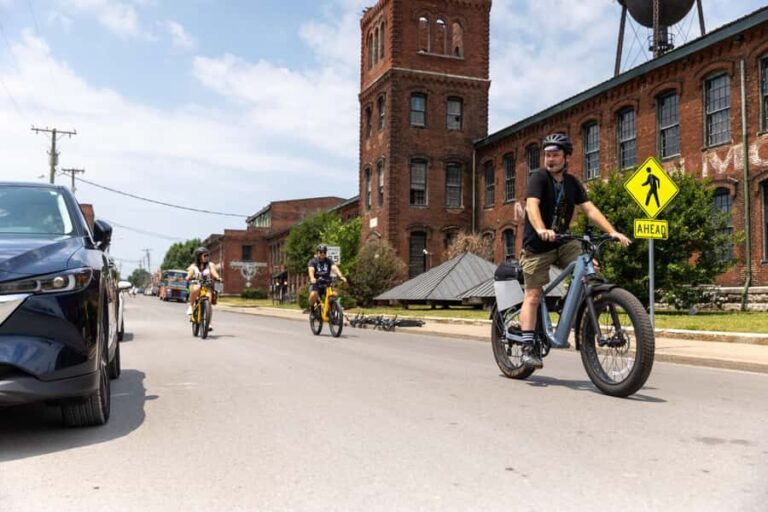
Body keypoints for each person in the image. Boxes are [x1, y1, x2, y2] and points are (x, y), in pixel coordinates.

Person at [519, 133, 631, 369]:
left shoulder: (572, 183)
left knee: (591, 266)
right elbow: (532, 205)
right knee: (533, 294)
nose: (550, 159)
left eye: (555, 155)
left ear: (566, 157)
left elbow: (589, 209)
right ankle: (527, 347)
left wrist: (612, 231)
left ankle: (567, 305)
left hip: (562, 241)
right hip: (538, 245)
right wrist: (541, 229)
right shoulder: (538, 178)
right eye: (547, 155)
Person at [307, 244, 347, 313]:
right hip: (316, 283)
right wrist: (312, 278)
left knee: (334, 295)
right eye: (321, 252)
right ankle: (311, 308)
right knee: (314, 294)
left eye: (324, 252)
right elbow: (311, 270)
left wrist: (341, 276)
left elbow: (335, 268)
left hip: (326, 283)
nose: (323, 254)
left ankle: (332, 312)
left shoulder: (328, 261)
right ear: (317, 252)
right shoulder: (313, 261)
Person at [186, 247, 221, 321]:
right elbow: (189, 274)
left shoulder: (210, 265)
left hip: (207, 284)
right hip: (195, 282)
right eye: (205, 255)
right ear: (199, 256)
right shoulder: (193, 266)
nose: (207, 257)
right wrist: (188, 277)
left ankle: (208, 323)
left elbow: (214, 272)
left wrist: (218, 277)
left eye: (208, 255)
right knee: (197, 287)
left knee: (209, 300)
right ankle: (191, 305)